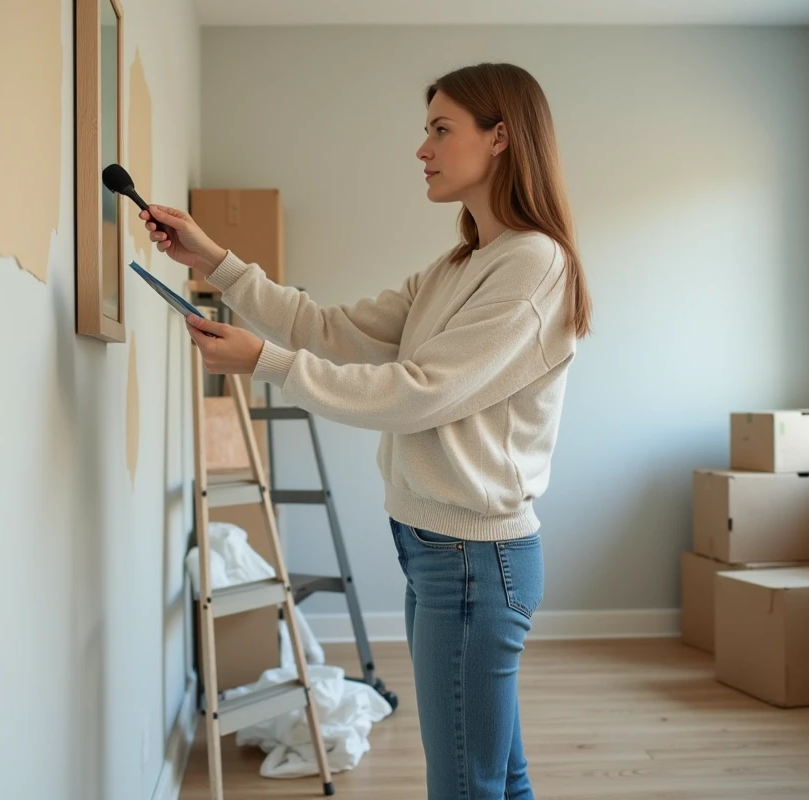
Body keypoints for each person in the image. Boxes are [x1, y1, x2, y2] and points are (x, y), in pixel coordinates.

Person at [141, 62, 591, 800]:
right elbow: (332, 329)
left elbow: (420, 393)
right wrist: (216, 263)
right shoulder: (459, 266)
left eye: (441, 130)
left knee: (466, 786)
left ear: (501, 137)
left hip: (475, 560)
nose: (423, 149)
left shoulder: (535, 266)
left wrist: (267, 363)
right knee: (496, 779)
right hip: (438, 552)